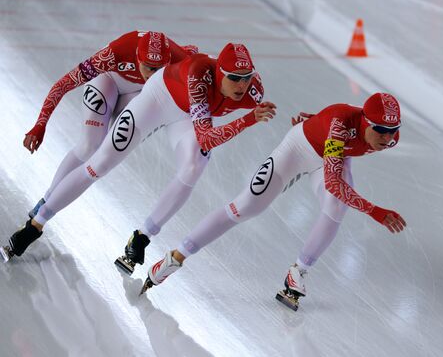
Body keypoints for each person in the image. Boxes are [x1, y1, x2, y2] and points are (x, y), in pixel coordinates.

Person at [1, 43, 277, 265]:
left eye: (246, 78)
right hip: (158, 100)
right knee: (101, 162)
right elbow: (206, 135)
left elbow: (204, 134)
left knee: (193, 166)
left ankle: (142, 238)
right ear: (219, 73)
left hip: (187, 117)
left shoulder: (253, 91)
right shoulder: (199, 74)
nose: (241, 86)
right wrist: (249, 120)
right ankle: (35, 225)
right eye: (234, 78)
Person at [140, 92, 407, 311]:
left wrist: (316, 120)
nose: (387, 138)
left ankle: (298, 272)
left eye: (392, 131)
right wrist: (375, 211)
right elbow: (334, 181)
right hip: (297, 150)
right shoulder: (343, 123)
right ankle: (175, 257)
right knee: (244, 207)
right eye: (380, 130)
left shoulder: (386, 138)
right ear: (365, 122)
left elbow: (335, 168)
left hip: (328, 157)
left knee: (337, 207)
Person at [25, 30, 199, 219]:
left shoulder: (179, 60)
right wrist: (40, 124)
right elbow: (63, 85)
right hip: (107, 80)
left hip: (138, 93)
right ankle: (46, 201)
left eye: (159, 69)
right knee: (90, 146)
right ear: (137, 59)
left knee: (110, 149)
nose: (153, 74)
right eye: (148, 67)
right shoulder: (113, 54)